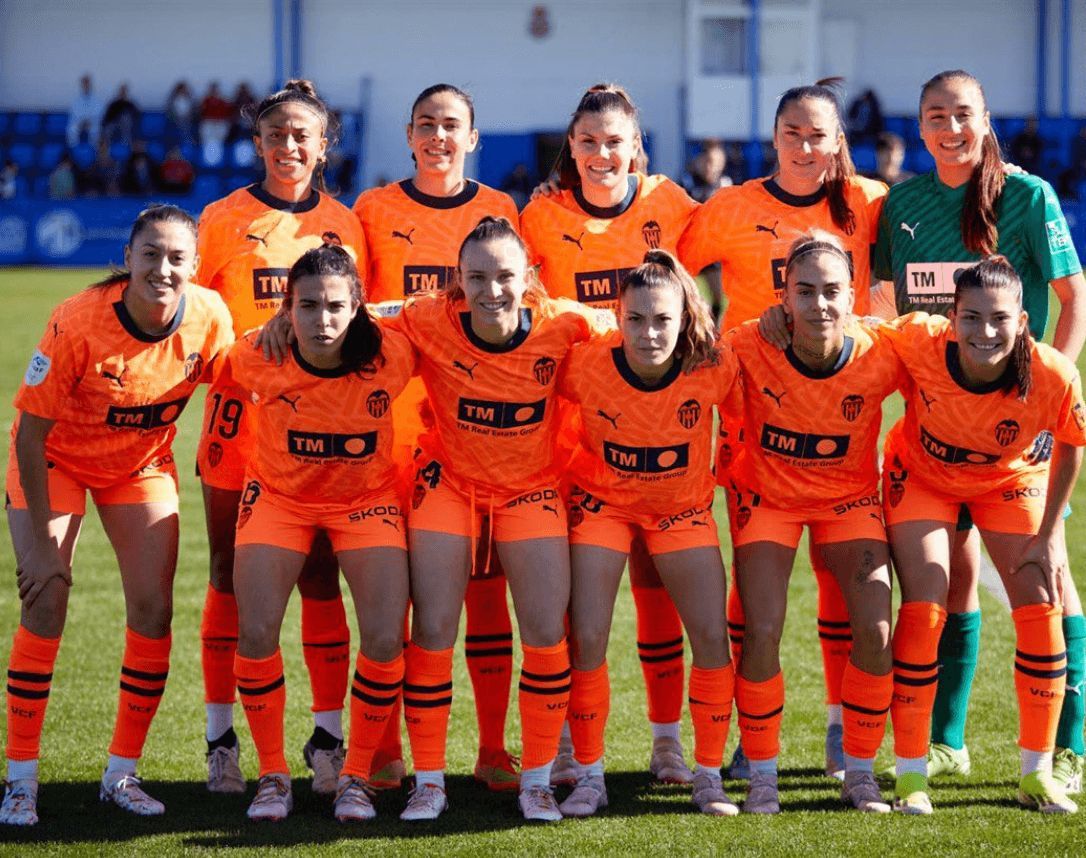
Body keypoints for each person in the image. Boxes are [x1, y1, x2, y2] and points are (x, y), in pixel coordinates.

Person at [870, 69, 1086, 794]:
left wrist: (1043, 400)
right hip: (935, 437)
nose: (951, 128)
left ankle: (1068, 748)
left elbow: (1072, 298)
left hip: (1019, 434)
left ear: (986, 119)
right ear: (921, 126)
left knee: (1048, 573)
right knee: (950, 581)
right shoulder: (902, 203)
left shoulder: (1026, 196)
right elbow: (886, 314)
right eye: (936, 116)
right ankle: (946, 743)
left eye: (963, 114)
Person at [679, 78, 888, 781]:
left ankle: (840, 728)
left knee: (846, 590)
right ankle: (749, 738)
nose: (805, 146)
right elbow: (674, 280)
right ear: (774, 138)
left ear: (838, 142)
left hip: (840, 420)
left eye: (818, 134)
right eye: (792, 133)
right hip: (756, 429)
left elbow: (907, 277)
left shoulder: (869, 203)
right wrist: (732, 333)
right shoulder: (732, 206)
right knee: (755, 601)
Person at [0, 205, 234, 827]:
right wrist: (46, 552)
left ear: (195, 266)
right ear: (127, 258)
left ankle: (121, 773)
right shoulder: (77, 321)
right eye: (150, 254)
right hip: (55, 461)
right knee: (45, 598)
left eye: (177, 257)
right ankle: (20, 778)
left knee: (154, 612)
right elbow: (28, 438)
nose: (163, 268)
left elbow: (245, 385)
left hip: (140, 467)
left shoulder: (210, 316)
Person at [390, 215, 609, 823]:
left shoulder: (565, 325)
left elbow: (639, 325)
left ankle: (536, 779)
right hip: (451, 486)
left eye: (505, 276)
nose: (492, 290)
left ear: (529, 279)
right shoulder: (426, 319)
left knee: (545, 633)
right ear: (457, 282)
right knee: (432, 629)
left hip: (529, 490)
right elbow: (355, 316)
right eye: (477, 277)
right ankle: (429, 780)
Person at [521, 83, 705, 787]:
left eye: (615, 142)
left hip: (662, 435)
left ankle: (666, 743)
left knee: (658, 591)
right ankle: (570, 741)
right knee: (575, 603)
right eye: (589, 142)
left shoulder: (673, 208)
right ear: (572, 146)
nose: (602, 154)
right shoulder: (539, 216)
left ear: (637, 148)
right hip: (571, 438)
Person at [194, 79, 367, 796]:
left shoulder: (347, 225)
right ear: (258, 142)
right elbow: (196, 322)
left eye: (303, 135)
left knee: (321, 571)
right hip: (238, 425)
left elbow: (363, 328)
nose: (289, 147)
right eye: (275, 135)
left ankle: (328, 739)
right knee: (229, 573)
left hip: (320, 432)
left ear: (325, 144)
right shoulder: (221, 218)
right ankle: (220, 740)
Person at [351, 83, 522, 793]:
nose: (439, 136)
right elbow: (356, 313)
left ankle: (489, 749)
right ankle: (384, 749)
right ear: (409, 133)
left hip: (470, 429)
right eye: (427, 124)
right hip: (391, 431)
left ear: (473, 136)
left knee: (484, 591)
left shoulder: (501, 211)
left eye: (452, 125)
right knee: (399, 601)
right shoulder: (374, 209)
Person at [880, 258, 1086, 814]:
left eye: (998, 319)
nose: (985, 332)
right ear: (951, 317)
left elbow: (1071, 442)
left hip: (1008, 480)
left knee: (1042, 603)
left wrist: (1047, 534)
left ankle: (1037, 773)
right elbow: (854, 332)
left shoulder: (1052, 373)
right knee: (924, 606)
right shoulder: (918, 340)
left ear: (1022, 321)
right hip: (922, 477)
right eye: (971, 317)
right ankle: (910, 774)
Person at [228, 245, 413, 823]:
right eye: (307, 307)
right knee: (256, 630)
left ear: (358, 307)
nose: (323, 320)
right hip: (280, 500)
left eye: (336, 307)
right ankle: (273, 774)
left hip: (366, 501)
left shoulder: (392, 354)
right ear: (287, 310)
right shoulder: (256, 356)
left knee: (385, 636)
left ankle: (355, 775)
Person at [558, 251, 741, 818]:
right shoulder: (585, 363)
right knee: (586, 637)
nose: (648, 332)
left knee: (712, 637)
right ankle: (589, 774)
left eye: (662, 319)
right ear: (617, 316)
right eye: (635, 319)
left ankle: (707, 774)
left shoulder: (714, 364)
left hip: (681, 512)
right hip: (603, 506)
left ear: (685, 318)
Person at [727, 234, 900, 814]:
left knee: (876, 633)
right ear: (783, 296)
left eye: (832, 291)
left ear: (853, 295)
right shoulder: (750, 343)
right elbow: (685, 358)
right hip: (769, 499)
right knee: (762, 631)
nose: (820, 304)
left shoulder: (882, 349)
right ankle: (763, 776)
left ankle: (859, 772)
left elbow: (957, 357)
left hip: (849, 500)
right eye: (805, 291)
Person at [66, 74, 103, 148]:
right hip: (79, 122)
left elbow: (98, 113)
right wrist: (81, 122)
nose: (86, 85)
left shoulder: (96, 99)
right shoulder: (76, 99)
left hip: (92, 122)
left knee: (95, 130)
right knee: (71, 129)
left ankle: (93, 150)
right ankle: (74, 150)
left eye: (87, 83)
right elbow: (75, 113)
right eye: (84, 83)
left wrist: (89, 121)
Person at [166, 81, 197, 146]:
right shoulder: (172, 99)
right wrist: (177, 117)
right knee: (181, 125)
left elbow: (194, 110)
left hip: (188, 119)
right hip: (176, 119)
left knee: (186, 125)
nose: (183, 91)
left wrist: (189, 116)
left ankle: (188, 141)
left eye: (184, 89)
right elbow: (170, 111)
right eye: (182, 89)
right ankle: (181, 142)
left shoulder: (190, 99)